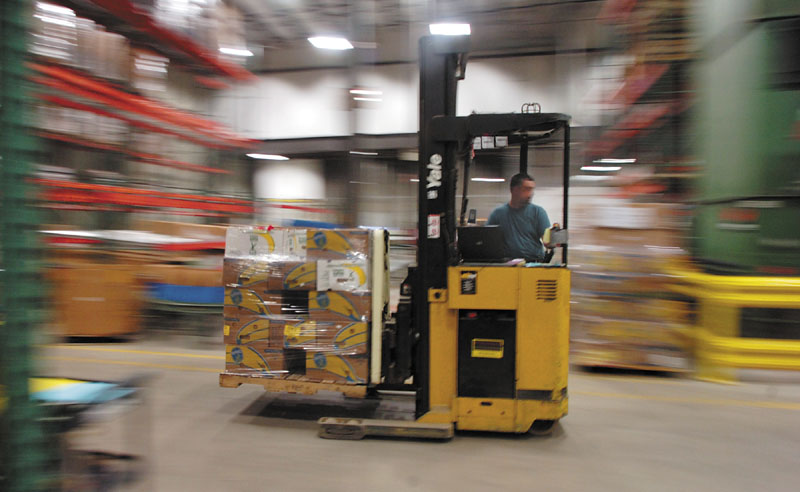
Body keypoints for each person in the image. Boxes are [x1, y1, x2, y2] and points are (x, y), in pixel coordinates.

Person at [487, 173, 551, 262]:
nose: (530, 194)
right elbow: (487, 239)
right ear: (514, 190)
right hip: (506, 264)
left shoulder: (538, 212)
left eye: (532, 190)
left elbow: (547, 240)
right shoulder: (498, 214)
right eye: (527, 189)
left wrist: (552, 241)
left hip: (533, 264)